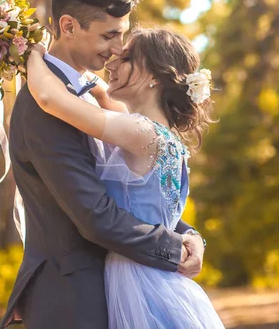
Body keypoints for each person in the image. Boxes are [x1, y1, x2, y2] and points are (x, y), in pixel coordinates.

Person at [0, 0, 206, 329]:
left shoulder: (101, 108)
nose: (116, 51)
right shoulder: (47, 106)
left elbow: (135, 197)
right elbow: (96, 214)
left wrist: (187, 234)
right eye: (110, 37)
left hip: (119, 286)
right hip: (72, 295)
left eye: (124, 43)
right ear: (68, 26)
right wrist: (177, 245)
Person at [26, 26, 224, 328]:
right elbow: (104, 98)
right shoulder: (162, 136)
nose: (112, 62)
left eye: (127, 57)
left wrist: (33, 55)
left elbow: (49, 98)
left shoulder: (141, 132)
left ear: (156, 77)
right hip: (157, 276)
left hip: (138, 282)